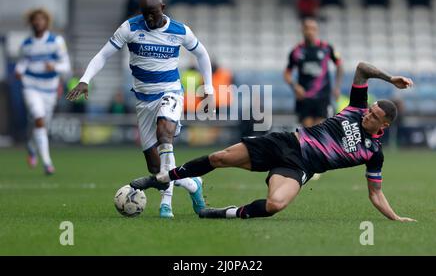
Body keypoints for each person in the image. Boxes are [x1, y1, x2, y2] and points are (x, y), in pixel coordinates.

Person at [131, 62, 417, 222]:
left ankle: (219, 214)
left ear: (385, 124)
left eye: (374, 115)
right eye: (370, 110)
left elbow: (375, 194)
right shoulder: (356, 107)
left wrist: (395, 217)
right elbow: (362, 68)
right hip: (286, 142)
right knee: (219, 158)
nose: (368, 114)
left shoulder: (374, 153)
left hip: (300, 166)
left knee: (275, 205)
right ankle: (161, 177)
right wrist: (390, 79)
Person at [67, 0, 214, 218]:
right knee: (156, 171)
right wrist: (85, 79)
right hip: (144, 100)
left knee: (165, 133)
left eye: (153, 13)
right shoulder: (130, 28)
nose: (149, 19)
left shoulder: (180, 30)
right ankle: (194, 184)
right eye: (145, 14)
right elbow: (103, 55)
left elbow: (202, 54)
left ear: (163, 8)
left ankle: (166, 205)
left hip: (170, 92)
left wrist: (209, 89)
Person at [15, 8, 71, 175]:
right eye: (35, 19)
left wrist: (54, 66)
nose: (38, 22)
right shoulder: (26, 44)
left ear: (47, 22)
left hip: (50, 88)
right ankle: (47, 163)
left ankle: (32, 147)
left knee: (42, 124)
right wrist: (19, 70)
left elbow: (66, 66)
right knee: (38, 117)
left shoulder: (56, 41)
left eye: (41, 19)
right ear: (31, 22)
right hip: (31, 86)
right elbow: (23, 62)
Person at [284, 18, 343, 127]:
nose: (310, 31)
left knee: (319, 131)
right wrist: (294, 86)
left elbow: (339, 65)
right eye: (307, 28)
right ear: (302, 30)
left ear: (317, 31)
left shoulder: (327, 48)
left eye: (313, 29)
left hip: (322, 96)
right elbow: (287, 73)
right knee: (308, 132)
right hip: (304, 97)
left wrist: (337, 87)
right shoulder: (296, 51)